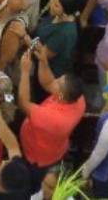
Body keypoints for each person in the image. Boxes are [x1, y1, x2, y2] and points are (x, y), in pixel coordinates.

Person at [15, 47, 84, 187]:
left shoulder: (53, 118)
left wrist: (25, 72)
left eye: (59, 82)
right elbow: (48, 83)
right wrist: (43, 61)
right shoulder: (78, 99)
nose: (55, 80)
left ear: (61, 95)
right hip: (55, 148)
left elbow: (23, 103)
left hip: (38, 158)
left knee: (34, 185)